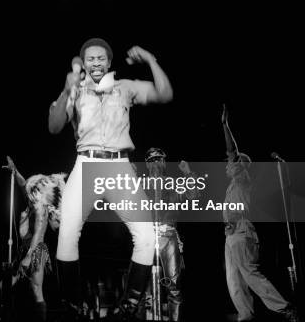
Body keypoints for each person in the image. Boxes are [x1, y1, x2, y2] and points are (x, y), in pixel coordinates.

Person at [48, 38, 173, 320]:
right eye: (90, 58)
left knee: (146, 236)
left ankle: (128, 309)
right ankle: (74, 309)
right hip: (87, 163)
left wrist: (151, 59)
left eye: (100, 58)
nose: (95, 62)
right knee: (67, 234)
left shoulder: (124, 86)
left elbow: (164, 94)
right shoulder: (75, 91)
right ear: (84, 62)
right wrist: (66, 91)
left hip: (119, 167)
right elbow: (54, 126)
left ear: (108, 62)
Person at [221, 105, 297, 322]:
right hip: (232, 235)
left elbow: (232, 151)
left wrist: (225, 126)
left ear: (241, 165)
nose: (228, 164)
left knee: (251, 275)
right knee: (234, 281)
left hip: (243, 233)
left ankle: (285, 308)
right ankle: (246, 316)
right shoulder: (232, 186)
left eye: (233, 162)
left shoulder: (243, 178)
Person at [140, 148, 199, 321]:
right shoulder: (140, 185)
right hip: (146, 238)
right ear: (147, 164)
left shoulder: (173, 184)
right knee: (145, 290)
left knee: (174, 288)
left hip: (169, 236)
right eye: (152, 161)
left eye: (159, 160)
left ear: (165, 162)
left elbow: (194, 196)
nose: (156, 164)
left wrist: (188, 174)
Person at [3, 156, 64, 322]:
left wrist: (29, 257)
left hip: (37, 249)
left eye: (36, 190)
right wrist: (15, 172)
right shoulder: (31, 204)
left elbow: (38, 233)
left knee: (35, 288)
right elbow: (23, 185)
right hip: (26, 247)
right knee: (15, 285)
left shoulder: (40, 208)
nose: (32, 193)